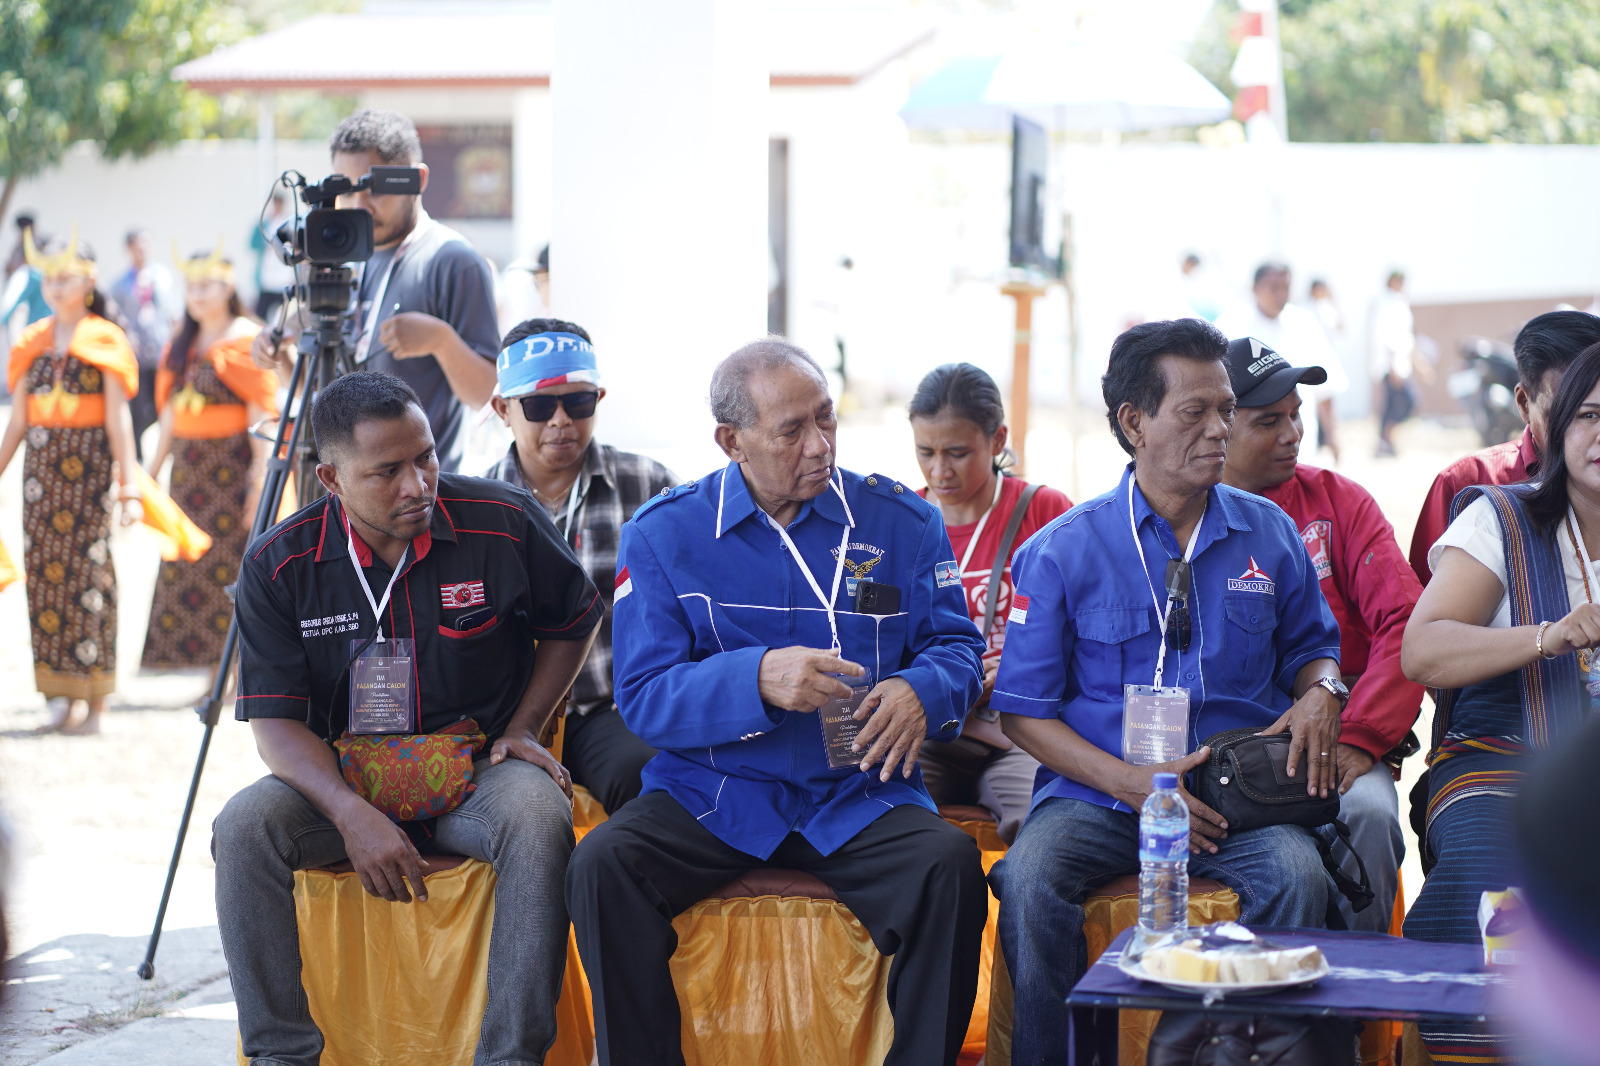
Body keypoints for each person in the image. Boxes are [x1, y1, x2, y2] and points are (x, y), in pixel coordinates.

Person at [567, 339, 990, 1066]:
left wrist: (923, 690)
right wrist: (755, 679)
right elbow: (642, 695)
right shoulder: (666, 534)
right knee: (604, 867)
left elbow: (957, 649)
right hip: (717, 795)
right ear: (731, 441)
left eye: (827, 419)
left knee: (948, 868)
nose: (820, 445)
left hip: (860, 793)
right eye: (792, 430)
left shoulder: (901, 523)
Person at [213, 370, 602, 1066]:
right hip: (345, 781)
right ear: (331, 479)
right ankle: (282, 1056)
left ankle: (511, 1056)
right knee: (242, 829)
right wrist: (346, 812)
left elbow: (575, 618)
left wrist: (524, 727)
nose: (418, 485)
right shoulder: (279, 566)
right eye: (387, 472)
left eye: (425, 457)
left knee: (540, 819)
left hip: (478, 776)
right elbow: (275, 724)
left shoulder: (502, 520)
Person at [989, 318, 1343, 1066]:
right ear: (1133, 422)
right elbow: (1021, 711)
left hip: (1235, 802)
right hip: (1100, 798)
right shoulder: (1060, 551)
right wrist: (1135, 784)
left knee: (1297, 876)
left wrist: (1324, 690)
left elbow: (1315, 650)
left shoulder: (1269, 533)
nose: (1221, 429)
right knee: (1027, 879)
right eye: (1196, 411)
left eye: (1224, 409)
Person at [1400, 343, 1600, 1063]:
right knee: (1490, 868)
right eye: (1588, 415)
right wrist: (1548, 636)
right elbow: (1420, 651)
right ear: (1552, 427)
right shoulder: (1503, 521)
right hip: (1503, 759)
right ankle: (1469, 1049)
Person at [1219, 336, 1425, 933]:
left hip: (1341, 732)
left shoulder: (1340, 505)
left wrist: (1362, 735)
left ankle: (1354, 1017)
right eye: (1269, 421)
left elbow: (1405, 622)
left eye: (1296, 413)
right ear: (1218, 431)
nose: (1293, 433)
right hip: (1232, 741)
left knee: (1371, 818)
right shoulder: (1185, 512)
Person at [484, 318, 677, 812]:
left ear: (599, 399)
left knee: (648, 777)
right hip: (501, 717)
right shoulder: (476, 504)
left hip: (608, 709)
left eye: (579, 402)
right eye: (540, 405)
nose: (561, 421)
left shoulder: (649, 484)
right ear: (503, 409)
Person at [251, 108, 500, 473]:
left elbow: (487, 395)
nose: (360, 205)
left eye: (374, 187)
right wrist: (282, 357)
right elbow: (319, 391)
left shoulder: (452, 260)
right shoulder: (340, 253)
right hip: (346, 489)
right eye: (347, 189)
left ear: (417, 179)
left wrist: (442, 342)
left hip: (420, 495)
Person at [908, 362, 1072, 843]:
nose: (940, 470)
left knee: (1039, 830)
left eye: (958, 453)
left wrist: (1022, 669)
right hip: (933, 730)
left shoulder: (1044, 511)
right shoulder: (906, 520)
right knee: (885, 817)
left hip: (1021, 731)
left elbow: (1083, 627)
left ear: (998, 440)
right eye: (926, 452)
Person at [0, 232, 144, 735]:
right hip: (40, 486)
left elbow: (118, 422)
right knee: (43, 579)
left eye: (67, 277)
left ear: (89, 280)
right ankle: (59, 695)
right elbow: (17, 422)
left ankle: (95, 700)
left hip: (88, 482)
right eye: (50, 277)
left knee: (91, 580)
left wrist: (128, 485)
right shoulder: (31, 340)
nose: (56, 286)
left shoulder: (104, 337)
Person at [139, 249, 275, 671]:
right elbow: (169, 415)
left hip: (229, 474)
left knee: (233, 571)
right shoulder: (183, 340)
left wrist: (257, 483)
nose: (196, 295)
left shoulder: (246, 338)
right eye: (191, 287)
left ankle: (237, 671)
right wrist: (151, 473)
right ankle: (211, 668)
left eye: (206, 285)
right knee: (188, 567)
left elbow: (261, 417)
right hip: (188, 473)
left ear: (228, 286)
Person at [1408, 309, 1600, 584]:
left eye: (1590, 414)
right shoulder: (1467, 485)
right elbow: (1426, 613)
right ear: (1523, 403)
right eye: (1561, 413)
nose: (1580, 433)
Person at [1216, 262, 1346, 465]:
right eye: (1274, 288)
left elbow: (1324, 389)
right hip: (1247, 455)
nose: (1281, 295)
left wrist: (1331, 435)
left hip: (1302, 448)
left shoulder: (1303, 323)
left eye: (1286, 287)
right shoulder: (1229, 326)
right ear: (1255, 288)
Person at [107, 228, 182, 460]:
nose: (141, 249)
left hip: (161, 351)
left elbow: (174, 314)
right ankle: (137, 456)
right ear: (129, 248)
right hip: (136, 354)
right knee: (139, 408)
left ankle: (166, 453)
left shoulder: (163, 276)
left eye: (146, 243)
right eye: (137, 244)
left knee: (163, 404)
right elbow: (114, 316)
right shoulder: (119, 284)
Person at [1372, 270, 1419, 457]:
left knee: (1392, 405)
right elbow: (1386, 336)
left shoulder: (1400, 301)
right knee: (1407, 401)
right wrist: (1392, 367)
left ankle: (1384, 442)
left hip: (1400, 364)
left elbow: (1407, 337)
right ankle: (1384, 440)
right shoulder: (1386, 302)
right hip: (1391, 366)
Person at [250, 189, 297, 323]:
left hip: (284, 279)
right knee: (260, 316)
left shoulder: (288, 222)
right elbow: (253, 244)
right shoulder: (264, 224)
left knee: (285, 316)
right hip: (267, 279)